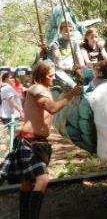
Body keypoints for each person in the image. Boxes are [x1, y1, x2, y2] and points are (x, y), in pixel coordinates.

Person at [0, 60, 82, 218]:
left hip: (36, 142)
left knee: (28, 182)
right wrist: (72, 93)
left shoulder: (44, 89)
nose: (53, 78)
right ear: (41, 75)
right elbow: (52, 108)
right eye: (50, 76)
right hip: (29, 142)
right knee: (42, 179)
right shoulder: (37, 89)